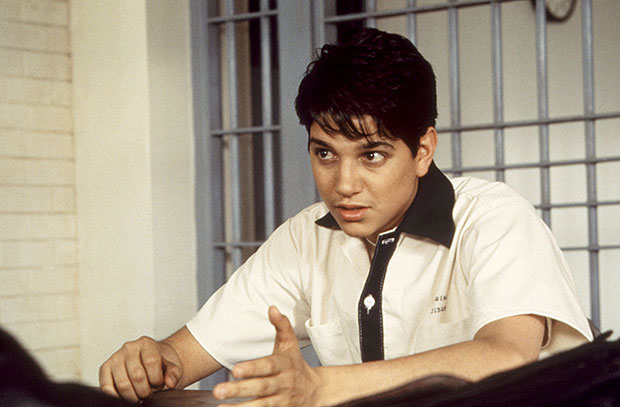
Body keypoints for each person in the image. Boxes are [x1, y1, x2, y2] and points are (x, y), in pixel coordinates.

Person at [99, 28, 592, 406]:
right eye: (325, 154)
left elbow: (506, 355)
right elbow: (181, 358)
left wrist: (321, 387)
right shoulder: (305, 239)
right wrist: (150, 361)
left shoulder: (493, 217)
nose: (344, 184)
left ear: (423, 150)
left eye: (372, 155)